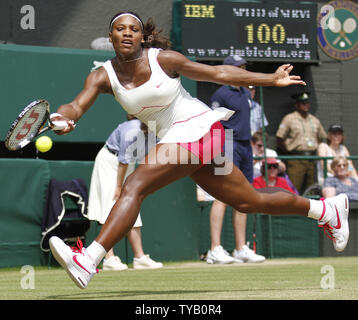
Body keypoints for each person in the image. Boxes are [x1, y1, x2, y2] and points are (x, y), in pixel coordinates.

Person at [48, 12, 349, 289]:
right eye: (119, 29)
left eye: (134, 29)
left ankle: (88, 259)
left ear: (143, 37)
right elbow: (75, 105)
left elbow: (218, 74)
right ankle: (324, 210)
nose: (127, 33)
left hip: (199, 129)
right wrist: (65, 118)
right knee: (248, 200)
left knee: (134, 185)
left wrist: (269, 78)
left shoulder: (163, 59)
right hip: (185, 141)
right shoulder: (103, 76)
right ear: (110, 36)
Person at [206, 55, 265, 264]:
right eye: (239, 68)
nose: (243, 71)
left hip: (245, 145)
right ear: (229, 70)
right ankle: (215, 249)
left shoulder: (244, 93)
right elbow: (213, 124)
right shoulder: (221, 93)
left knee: (244, 196)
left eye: (244, 68)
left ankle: (240, 248)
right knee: (222, 195)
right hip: (227, 143)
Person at [88, 116, 163, 270]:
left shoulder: (156, 132)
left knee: (131, 206)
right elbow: (123, 161)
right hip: (109, 162)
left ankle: (139, 257)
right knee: (110, 207)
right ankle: (108, 259)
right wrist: (118, 186)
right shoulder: (132, 131)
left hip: (128, 165)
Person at [276, 91, 327, 194]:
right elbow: (280, 138)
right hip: (296, 159)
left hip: (312, 160)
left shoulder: (314, 120)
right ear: (297, 104)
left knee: (312, 189)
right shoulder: (289, 118)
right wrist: (289, 152)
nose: (306, 105)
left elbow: (321, 137)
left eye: (307, 102)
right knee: (293, 189)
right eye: (303, 103)